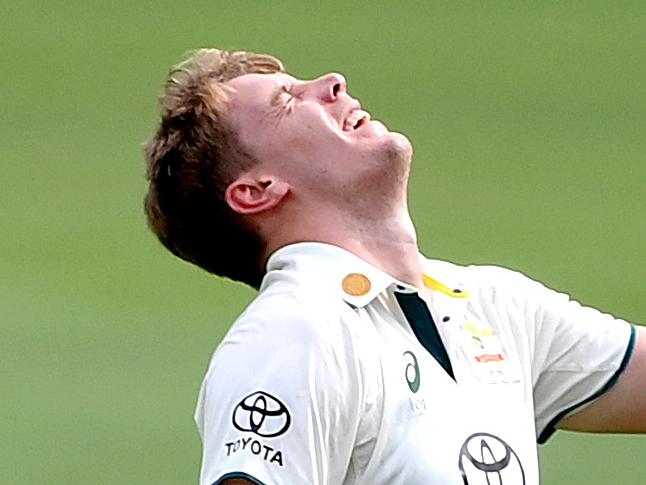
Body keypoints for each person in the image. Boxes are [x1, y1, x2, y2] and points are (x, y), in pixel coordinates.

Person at [143, 48, 646, 485]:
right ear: (257, 191)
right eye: (287, 100)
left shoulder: (489, 306)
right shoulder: (295, 335)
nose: (332, 83)